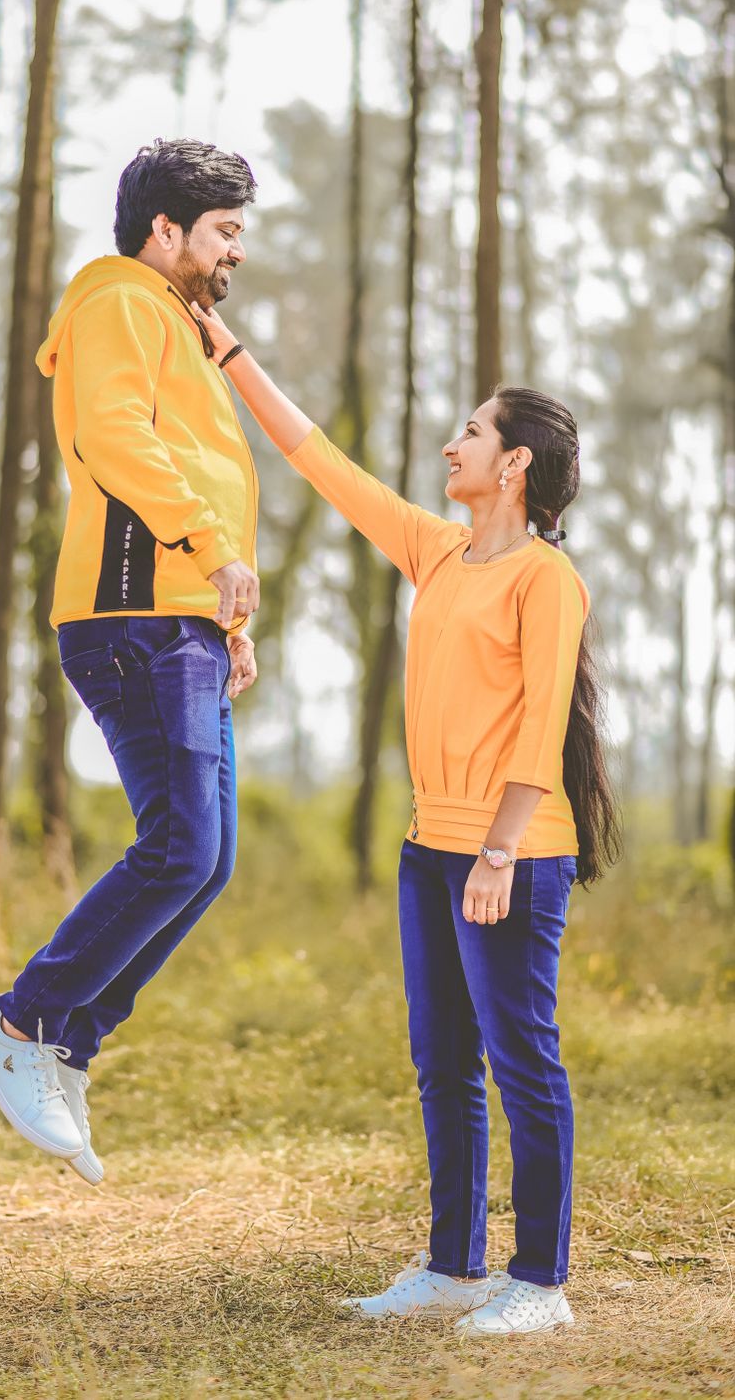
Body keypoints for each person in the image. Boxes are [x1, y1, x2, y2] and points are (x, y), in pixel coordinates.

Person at [191, 297, 622, 1337]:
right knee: (441, 1057)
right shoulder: (437, 551)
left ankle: (540, 1281)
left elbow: (539, 718)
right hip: (430, 845)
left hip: (511, 851)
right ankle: (451, 1263)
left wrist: (502, 846)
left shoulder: (545, 577)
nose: (451, 442)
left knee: (521, 1054)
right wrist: (232, 354)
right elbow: (320, 459)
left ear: (514, 462)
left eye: (471, 431)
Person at [0, 139, 261, 1186]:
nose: (234, 253)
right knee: (180, 846)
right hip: (133, 612)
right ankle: (20, 1021)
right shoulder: (121, 301)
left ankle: (68, 1043)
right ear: (164, 229)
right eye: (223, 232)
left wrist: (228, 608)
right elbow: (115, 439)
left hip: (180, 616)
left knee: (208, 858)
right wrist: (212, 552)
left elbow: (193, 459)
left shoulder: (165, 318)